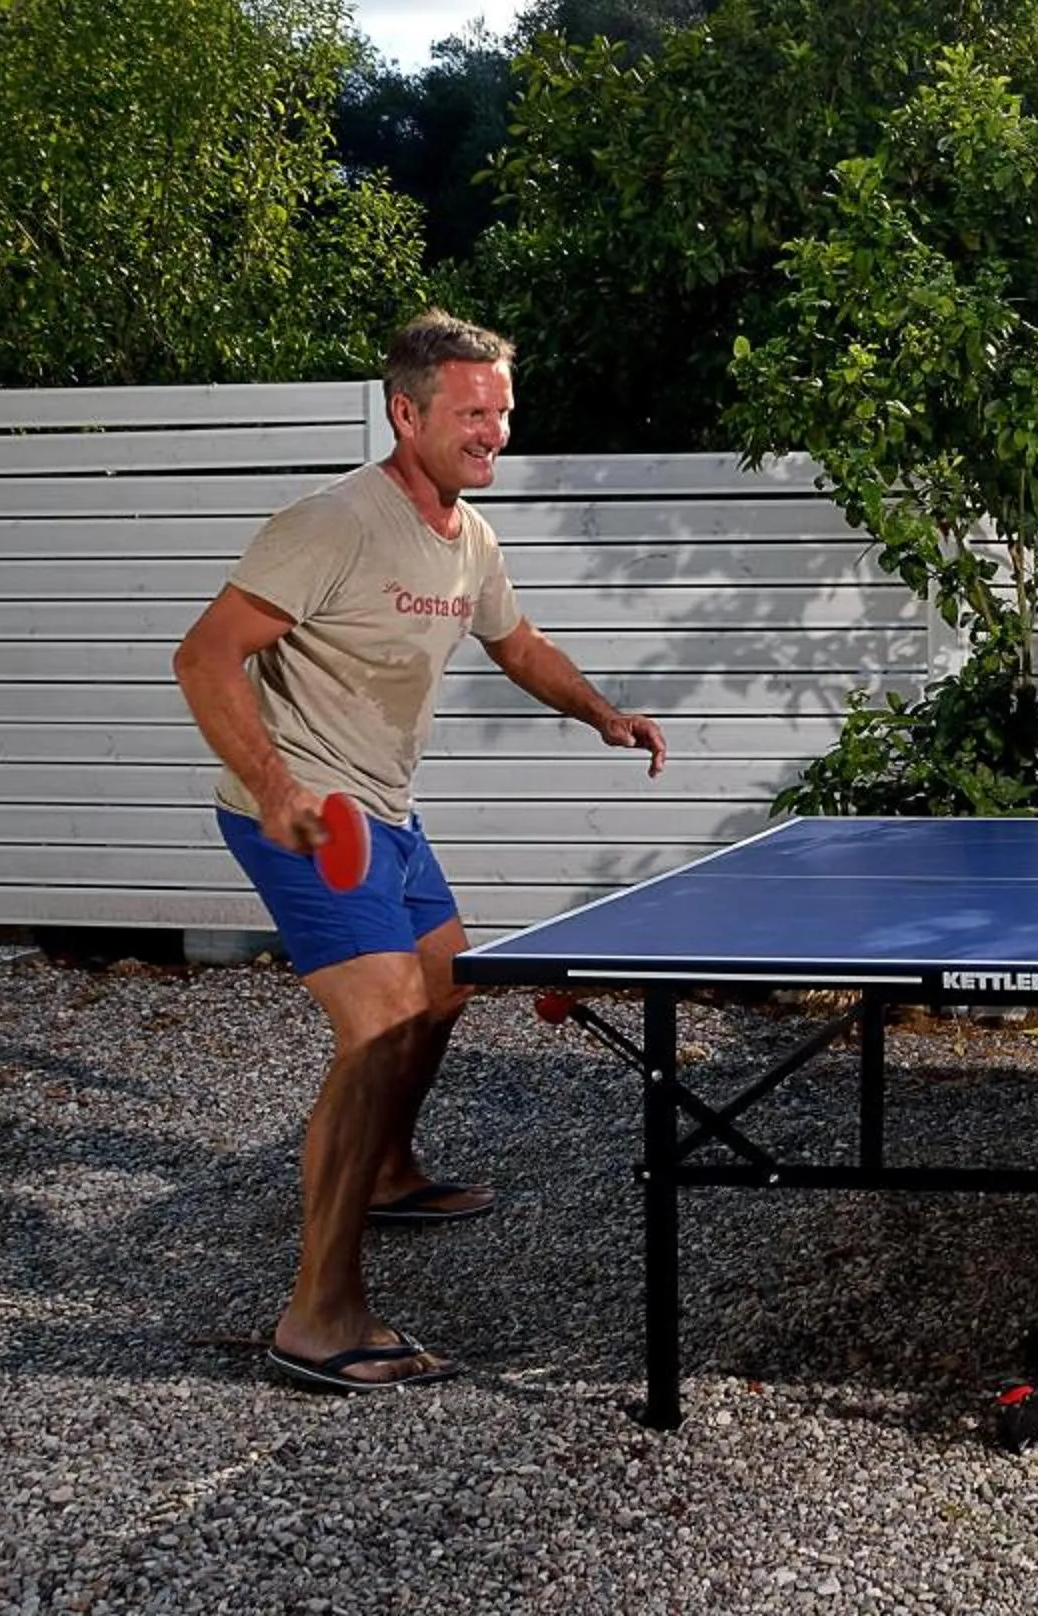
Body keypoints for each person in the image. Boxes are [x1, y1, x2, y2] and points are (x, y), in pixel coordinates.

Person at [172, 310, 669, 1393]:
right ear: (406, 412)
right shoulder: (333, 523)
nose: (494, 432)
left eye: (503, 411)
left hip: (385, 812)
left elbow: (517, 642)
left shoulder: (467, 536)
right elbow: (204, 656)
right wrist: (277, 789)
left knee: (445, 983)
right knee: (384, 1020)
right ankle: (317, 1314)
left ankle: (388, 1169)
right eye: (472, 412)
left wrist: (601, 712)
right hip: (309, 814)